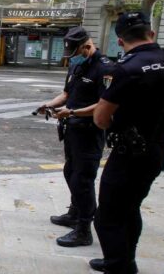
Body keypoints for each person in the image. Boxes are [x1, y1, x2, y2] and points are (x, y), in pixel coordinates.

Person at [90, 11, 164, 273]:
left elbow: (100, 118)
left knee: (108, 215)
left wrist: (122, 126)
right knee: (131, 208)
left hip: (128, 153)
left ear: (120, 41)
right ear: (151, 33)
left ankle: (118, 267)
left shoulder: (126, 68)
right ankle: (124, 259)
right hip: (157, 147)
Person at [38, 26, 112, 247]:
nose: (74, 58)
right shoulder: (76, 65)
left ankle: (84, 229)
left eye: (77, 53)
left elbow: (103, 104)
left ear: (88, 46)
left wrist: (72, 112)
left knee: (83, 179)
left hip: (90, 132)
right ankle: (74, 212)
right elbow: (67, 94)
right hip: (72, 131)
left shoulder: (105, 69)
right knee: (70, 171)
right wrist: (49, 105)